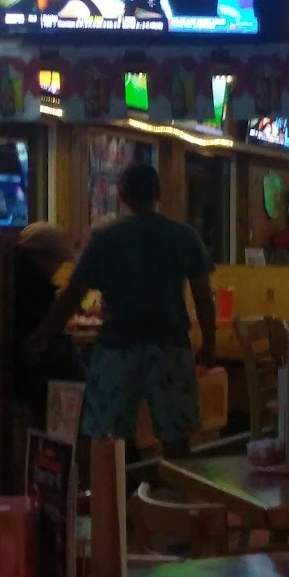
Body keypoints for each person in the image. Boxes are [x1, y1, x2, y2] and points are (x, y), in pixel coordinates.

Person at [26, 163, 217, 460]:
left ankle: (113, 489)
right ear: (158, 194)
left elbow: (72, 296)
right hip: (170, 347)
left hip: (116, 350)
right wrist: (209, 343)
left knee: (108, 439)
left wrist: (41, 337)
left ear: (122, 196)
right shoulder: (184, 236)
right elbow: (204, 297)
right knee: (176, 439)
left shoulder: (105, 238)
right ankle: (176, 488)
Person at [12, 222, 81, 416]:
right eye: (58, 260)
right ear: (41, 256)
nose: (58, 267)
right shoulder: (37, 288)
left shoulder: (9, 275)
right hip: (33, 374)